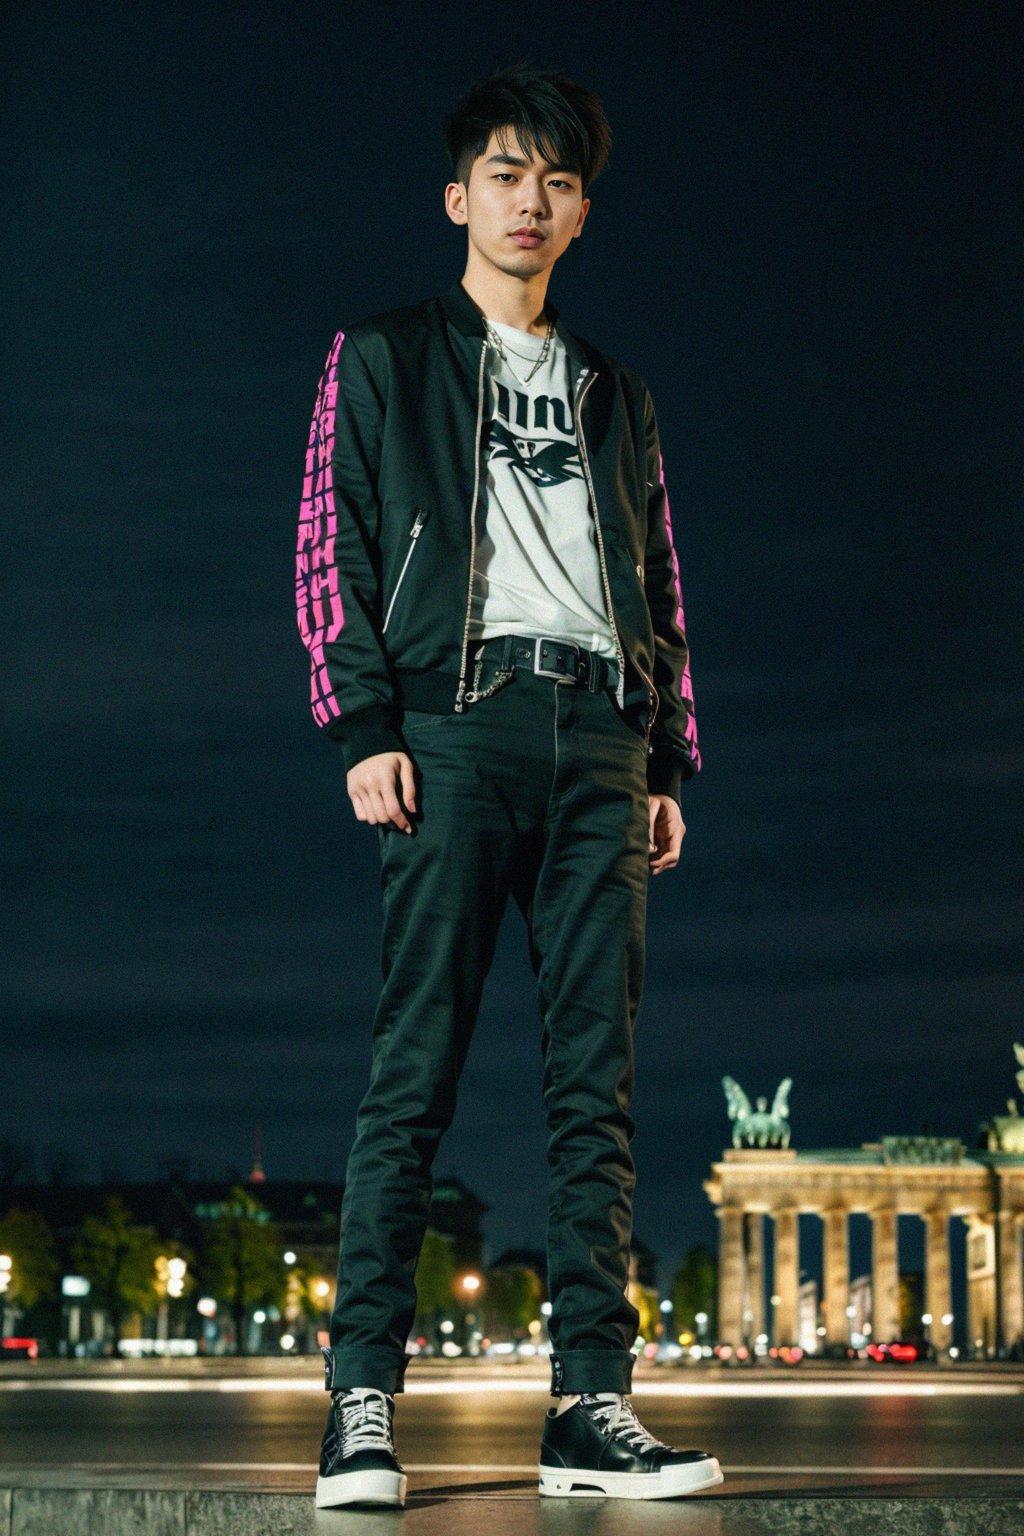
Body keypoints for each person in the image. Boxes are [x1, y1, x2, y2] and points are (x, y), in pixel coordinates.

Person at [295, 62, 723, 1508]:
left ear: (581, 210)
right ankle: (362, 1406)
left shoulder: (618, 393)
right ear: (457, 196)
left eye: (554, 179)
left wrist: (666, 754)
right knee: (412, 1076)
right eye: (501, 171)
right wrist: (363, 725)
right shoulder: (384, 355)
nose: (525, 199)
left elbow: (658, 577)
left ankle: (589, 1407)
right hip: (456, 724)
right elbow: (327, 543)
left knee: (591, 1093)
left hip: (601, 736)